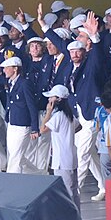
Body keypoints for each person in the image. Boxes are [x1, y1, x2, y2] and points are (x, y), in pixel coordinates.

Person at [41, 83, 81, 212]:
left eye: (51, 98)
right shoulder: (69, 115)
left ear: (57, 100)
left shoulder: (57, 116)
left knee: (66, 193)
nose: (48, 100)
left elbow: (43, 129)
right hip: (71, 157)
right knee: (74, 191)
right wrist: (67, 134)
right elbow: (79, 126)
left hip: (62, 160)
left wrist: (48, 112)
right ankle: (77, 218)